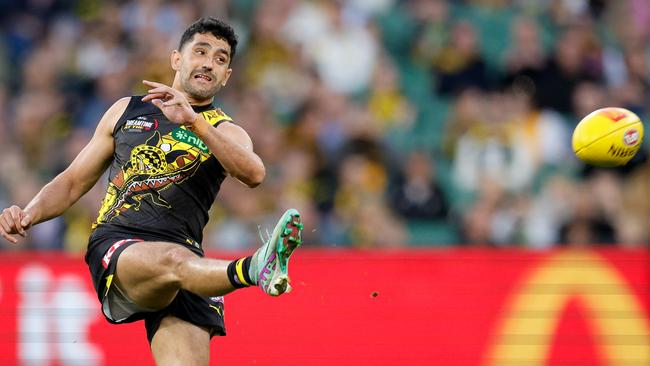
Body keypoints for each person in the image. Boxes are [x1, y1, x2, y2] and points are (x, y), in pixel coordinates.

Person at [0, 17, 303, 365]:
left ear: (227, 76)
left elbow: (254, 173)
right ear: (177, 59)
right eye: (200, 51)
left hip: (188, 260)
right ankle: (254, 268)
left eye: (221, 59)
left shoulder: (224, 130)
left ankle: (253, 267)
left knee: (179, 264)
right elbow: (71, 182)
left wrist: (194, 122)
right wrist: (27, 214)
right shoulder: (127, 110)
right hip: (120, 242)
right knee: (174, 261)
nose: (209, 63)